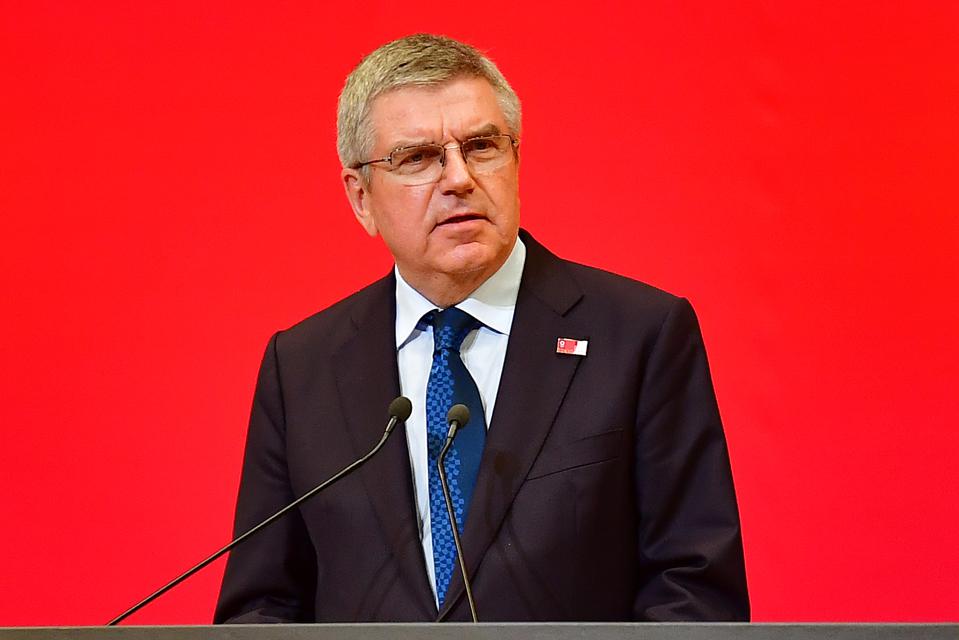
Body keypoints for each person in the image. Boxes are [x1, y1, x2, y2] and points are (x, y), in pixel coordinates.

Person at [214, 33, 749, 623]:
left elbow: (695, 591)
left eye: (481, 146)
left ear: (515, 160)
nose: (459, 178)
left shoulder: (640, 336)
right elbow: (262, 609)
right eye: (417, 158)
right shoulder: (303, 367)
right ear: (360, 197)